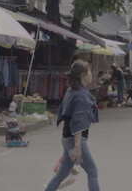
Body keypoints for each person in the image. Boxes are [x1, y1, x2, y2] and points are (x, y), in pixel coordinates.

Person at [45, 60, 100, 191]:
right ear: (83, 75)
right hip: (75, 139)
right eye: (90, 71)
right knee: (92, 171)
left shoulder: (72, 91)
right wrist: (76, 147)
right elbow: (78, 122)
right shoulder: (80, 95)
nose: (92, 74)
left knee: (61, 174)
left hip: (67, 138)